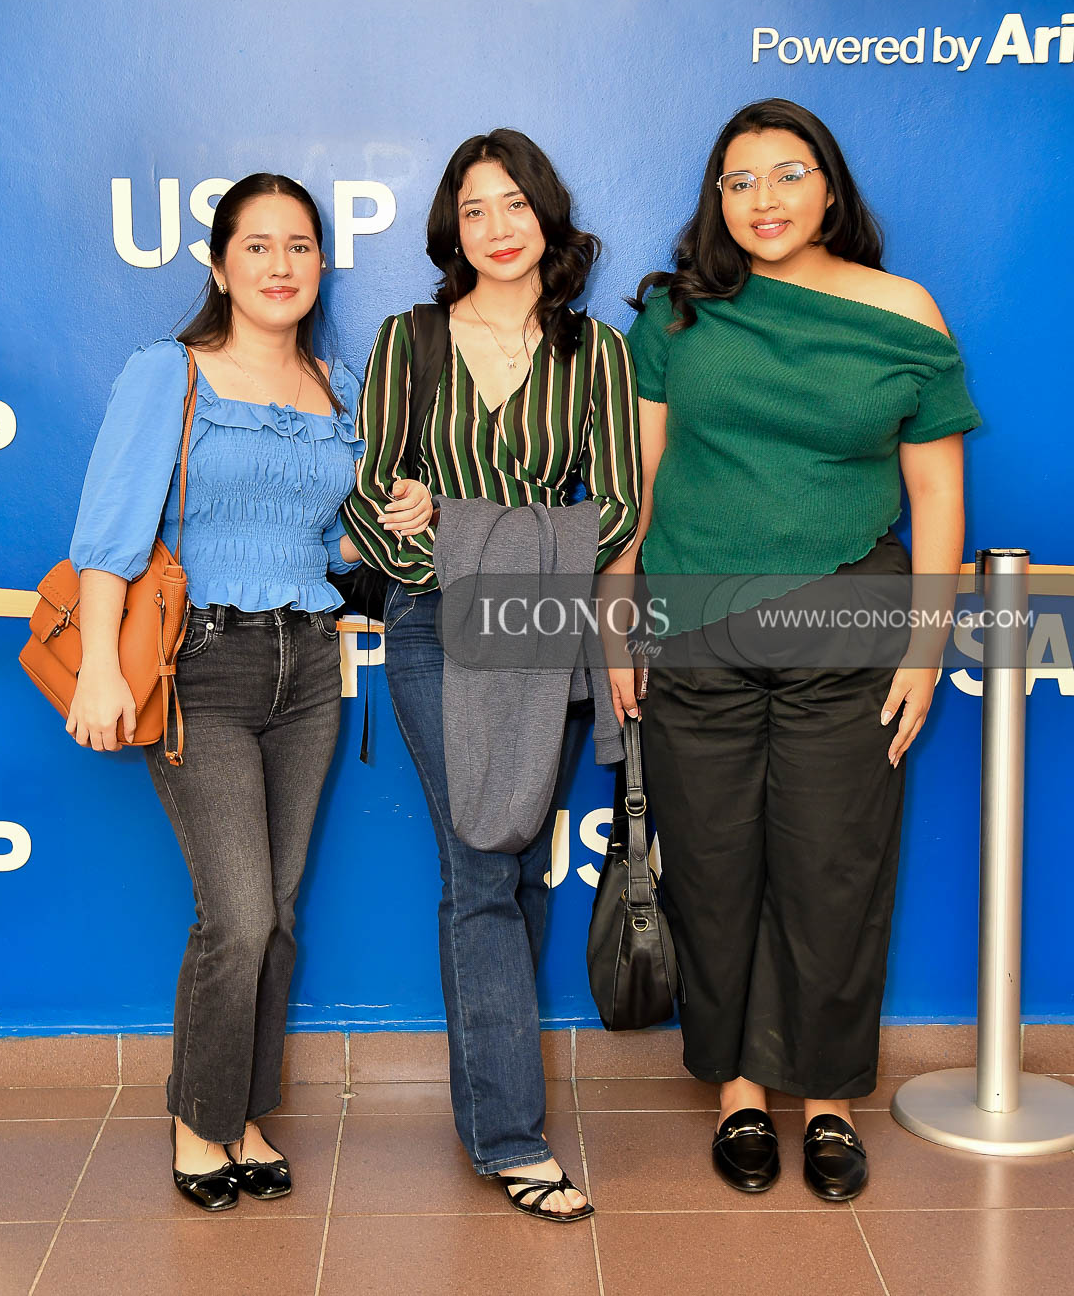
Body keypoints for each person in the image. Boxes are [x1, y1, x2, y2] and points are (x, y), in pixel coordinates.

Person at [609, 99, 980, 1202]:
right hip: (694, 625)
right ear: (716, 199)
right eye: (739, 180)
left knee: (832, 871)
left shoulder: (902, 310)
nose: (762, 199)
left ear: (829, 188)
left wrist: (925, 650)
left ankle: (826, 1100)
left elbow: (936, 492)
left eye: (787, 174)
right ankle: (737, 1092)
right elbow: (637, 481)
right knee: (714, 869)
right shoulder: (676, 313)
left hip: (851, 622)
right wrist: (617, 620)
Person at [66, 173, 432, 1211]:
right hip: (201, 665)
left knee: (276, 914)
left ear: (322, 264)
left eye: (300, 246)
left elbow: (330, 543)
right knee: (236, 917)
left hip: (309, 664)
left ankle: (246, 1112)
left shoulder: (340, 388)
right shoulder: (170, 374)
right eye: (258, 246)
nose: (281, 265)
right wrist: (101, 666)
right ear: (221, 267)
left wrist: (399, 514)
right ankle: (201, 1120)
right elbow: (111, 532)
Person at [341, 129, 640, 1221]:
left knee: (518, 867)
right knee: (479, 862)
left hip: (546, 627)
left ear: (546, 217)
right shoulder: (409, 339)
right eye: (474, 210)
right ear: (451, 230)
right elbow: (372, 497)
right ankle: (510, 1137)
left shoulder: (595, 353)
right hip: (434, 623)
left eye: (515, 203)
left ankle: (496, 1104)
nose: (498, 228)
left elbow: (616, 508)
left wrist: (463, 521)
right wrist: (446, 538)